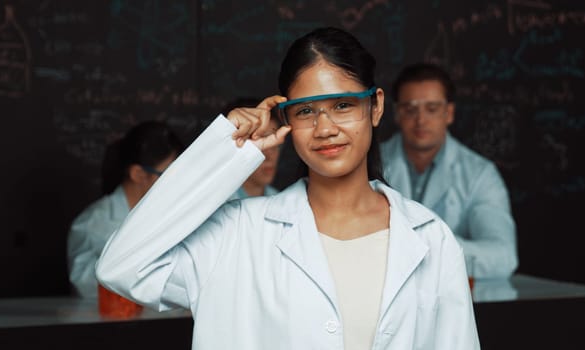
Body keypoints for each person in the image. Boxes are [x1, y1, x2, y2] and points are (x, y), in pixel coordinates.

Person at [96, 27, 479, 349]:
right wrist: (221, 151)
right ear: (285, 119)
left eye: (343, 105)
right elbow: (121, 266)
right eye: (306, 110)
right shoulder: (237, 233)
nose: (325, 127)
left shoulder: (431, 239)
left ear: (375, 106)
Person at [379, 62, 518, 279]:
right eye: (410, 109)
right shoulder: (368, 166)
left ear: (449, 113)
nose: (421, 120)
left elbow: (503, 256)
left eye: (432, 109)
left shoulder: (480, 174)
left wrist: (427, 247)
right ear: (396, 113)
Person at [67, 121, 184, 298]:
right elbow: (84, 286)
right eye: (169, 174)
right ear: (138, 174)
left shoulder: (173, 215)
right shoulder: (92, 223)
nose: (177, 183)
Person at [222, 98, 281, 200]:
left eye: (274, 144)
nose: (269, 156)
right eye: (258, 143)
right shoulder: (214, 203)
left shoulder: (281, 201)